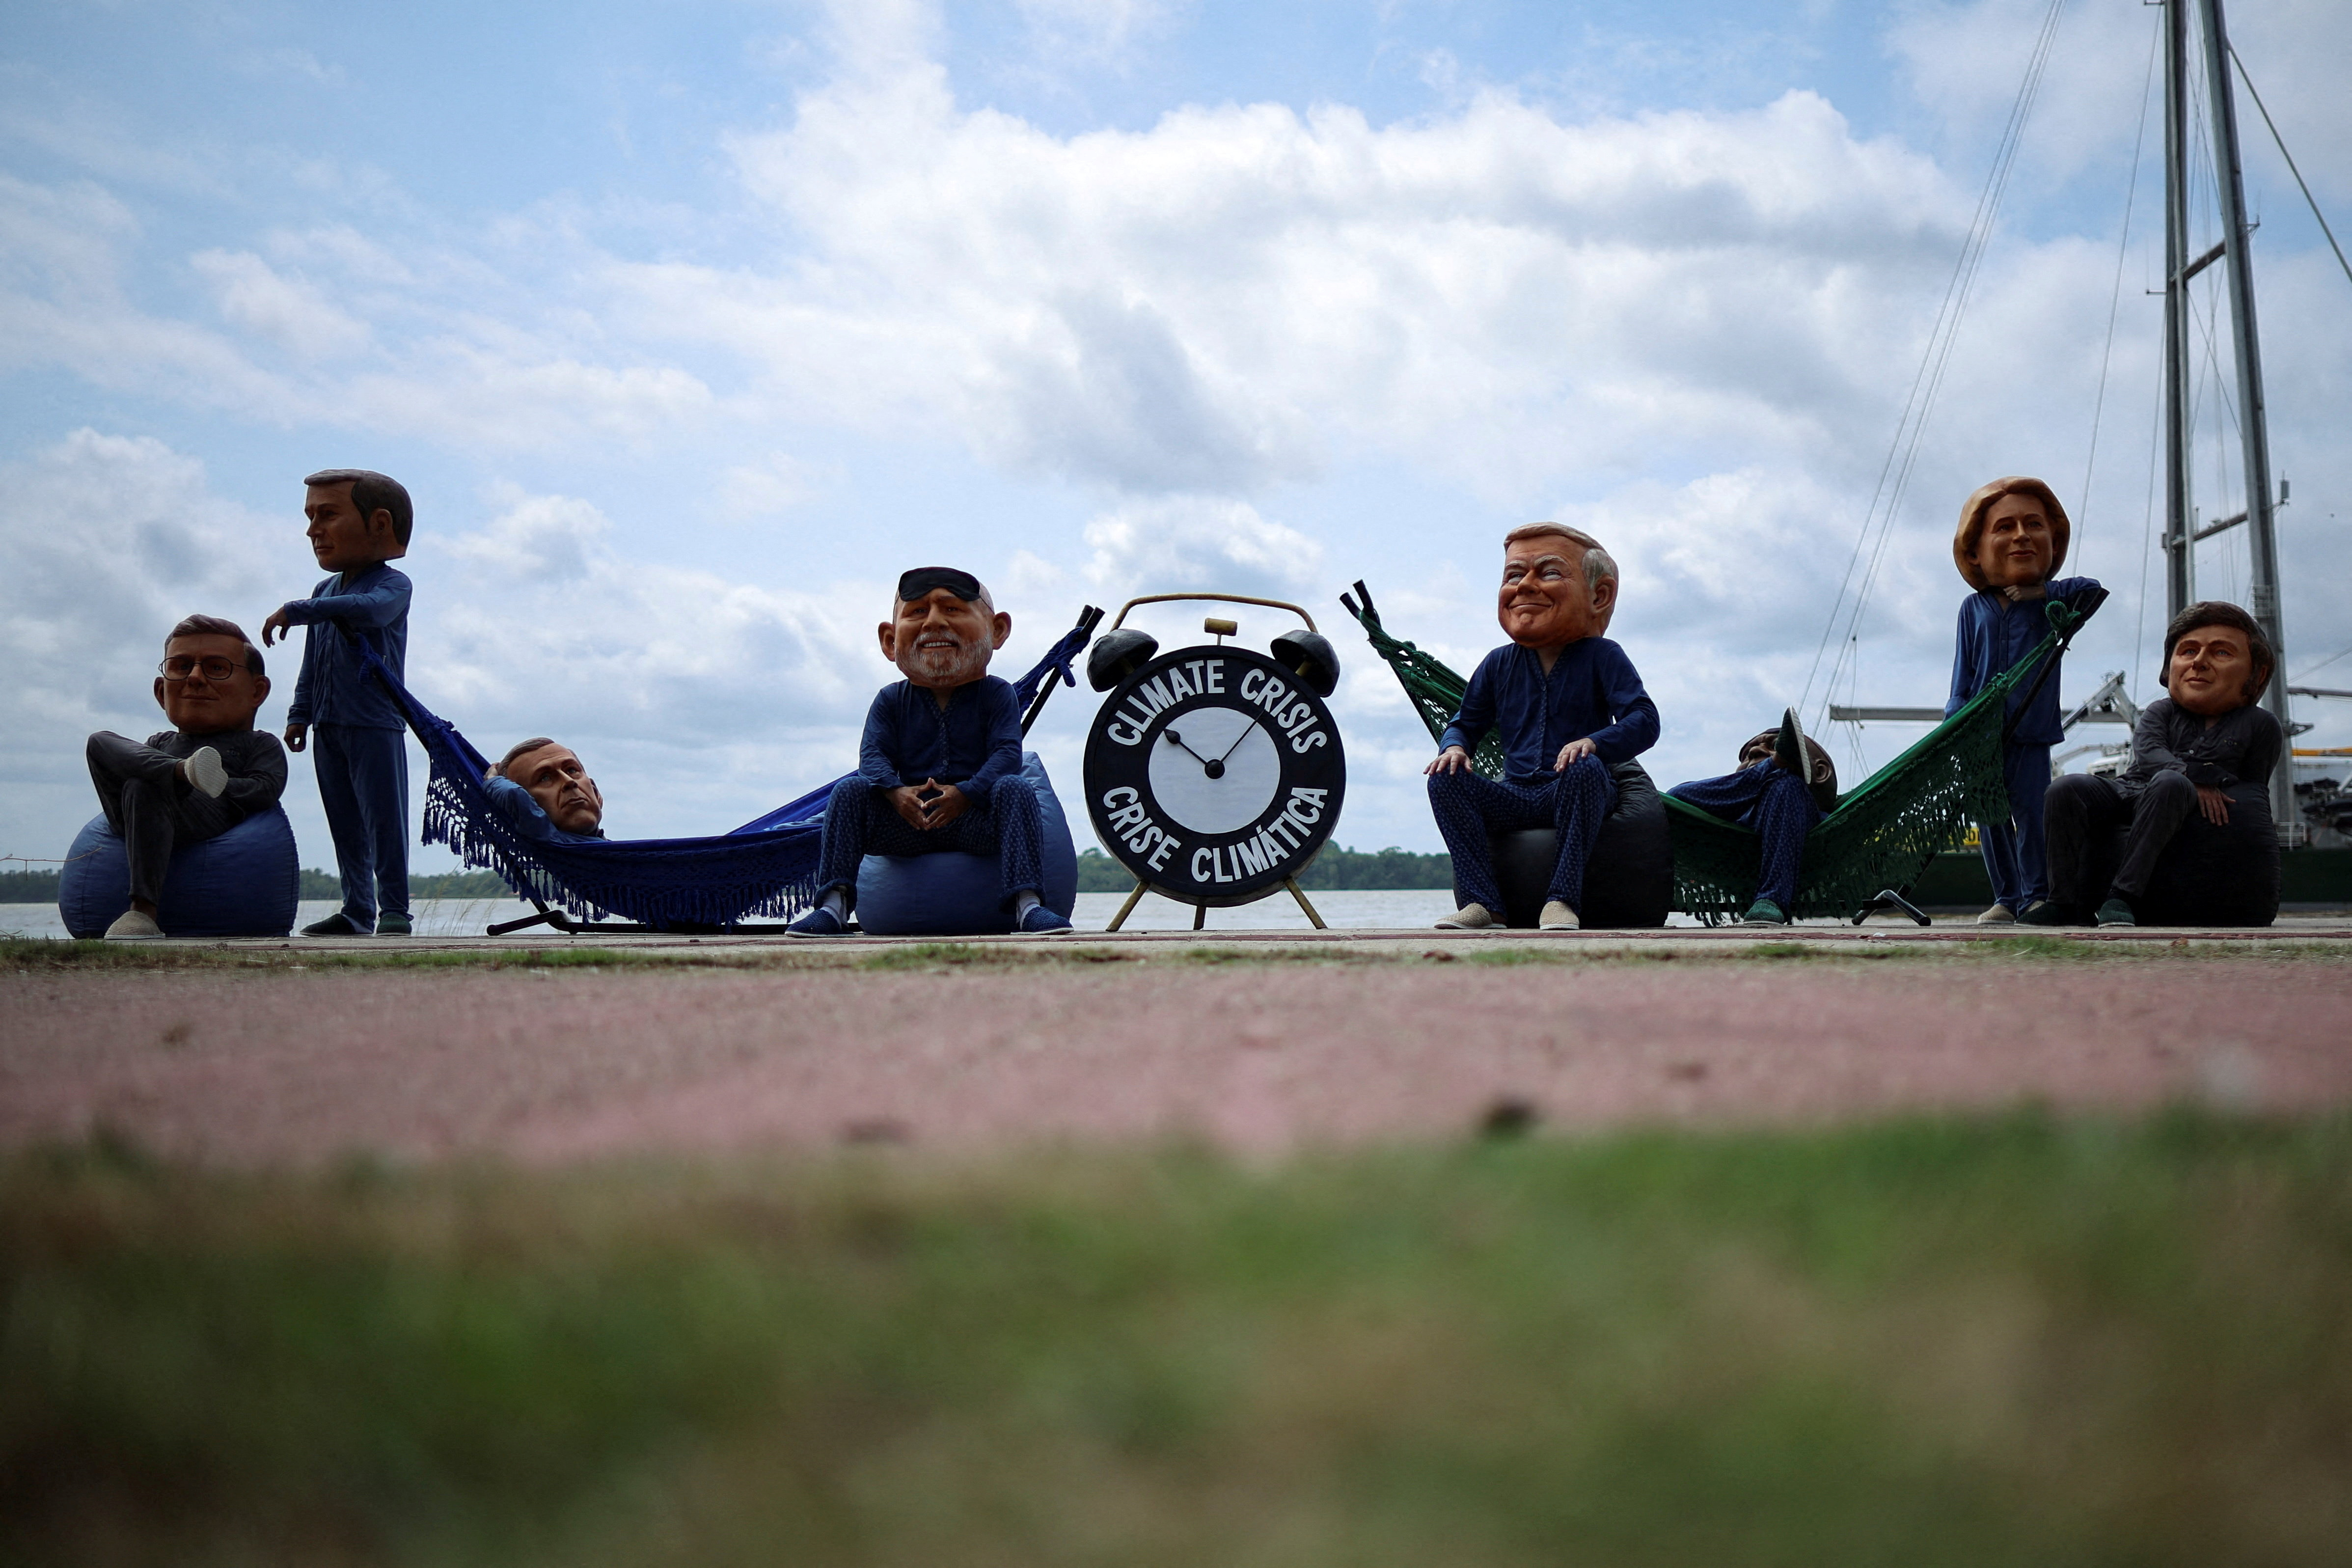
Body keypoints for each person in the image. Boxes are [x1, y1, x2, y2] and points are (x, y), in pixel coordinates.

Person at [787, 567, 1071, 936]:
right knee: (849, 791)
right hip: (908, 821)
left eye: (952, 610)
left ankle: (1028, 905)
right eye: (918, 612)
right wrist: (897, 793)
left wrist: (965, 794)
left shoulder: (997, 694)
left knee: (1016, 789)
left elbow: (1006, 754)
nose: (934, 623)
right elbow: (872, 756)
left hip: (975, 821)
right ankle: (833, 906)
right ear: (890, 640)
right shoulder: (891, 699)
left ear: (997, 629)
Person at [1425, 523, 1660, 931]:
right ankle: (1484, 904)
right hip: (1515, 794)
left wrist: (1594, 742)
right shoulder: (1499, 663)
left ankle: (1562, 899)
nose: (1526, 586)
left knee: (1585, 769)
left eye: (1549, 572)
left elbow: (1644, 720)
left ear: (1598, 595)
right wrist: (1455, 747)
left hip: (1575, 787)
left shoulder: (1603, 656)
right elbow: (1464, 723)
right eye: (1514, 575)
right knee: (1444, 780)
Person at [2035, 602, 2283, 927]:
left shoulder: (2260, 724)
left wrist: (2188, 782)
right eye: (2189, 651)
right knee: (2066, 788)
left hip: (2179, 800)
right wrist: (2193, 775)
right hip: (2134, 789)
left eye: (2221, 653)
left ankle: (2122, 896)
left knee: (2170, 783)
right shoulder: (2161, 712)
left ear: (2257, 672)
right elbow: (2149, 751)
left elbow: (2254, 786)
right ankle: (2061, 901)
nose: (2199, 662)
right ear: (2169, 667)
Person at [261, 468, 415, 937]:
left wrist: (300, 612)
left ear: (380, 524)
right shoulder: (325, 591)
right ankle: (356, 909)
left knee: (384, 820)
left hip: (374, 722)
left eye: (327, 515)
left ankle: (395, 910)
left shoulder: (393, 585)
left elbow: (369, 612)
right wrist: (299, 713)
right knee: (345, 823)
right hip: (328, 723)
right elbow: (313, 662)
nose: (313, 530)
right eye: (309, 517)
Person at [1944, 476, 2102, 925]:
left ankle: (2037, 892)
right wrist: (1955, 721)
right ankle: (2006, 895)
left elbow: (2092, 591)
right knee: (1990, 816)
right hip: (1981, 734)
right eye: (2004, 526)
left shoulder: (2052, 603)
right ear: (1975, 550)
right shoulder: (1972, 608)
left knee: (2032, 814)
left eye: (2034, 525)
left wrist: (2043, 593)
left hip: (2031, 729)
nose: (2020, 536)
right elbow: (1963, 673)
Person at [85, 616, 289, 939]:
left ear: (257, 690)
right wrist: (183, 773)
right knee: (100, 741)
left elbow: (265, 789)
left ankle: (142, 912)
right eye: (181, 667)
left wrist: (217, 783)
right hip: (139, 814)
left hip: (205, 814)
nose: (194, 678)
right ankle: (180, 771)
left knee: (144, 783)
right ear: (161, 691)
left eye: (216, 668)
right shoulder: (161, 743)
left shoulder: (259, 744)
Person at [1668, 711, 1838, 926]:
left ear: (1820, 772)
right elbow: (1676, 799)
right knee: (1677, 796)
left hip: (1795, 829)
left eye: (1775, 746)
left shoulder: (1823, 821)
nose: (1757, 749)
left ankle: (1772, 900)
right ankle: (1773, 768)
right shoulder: (1734, 818)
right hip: (1736, 841)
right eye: (1748, 756)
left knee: (1787, 784)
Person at [484, 738, 606, 842]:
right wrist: (493, 781)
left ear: (596, 794)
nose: (569, 782)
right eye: (545, 778)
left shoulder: (620, 853)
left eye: (572, 770)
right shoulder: (555, 842)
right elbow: (513, 794)